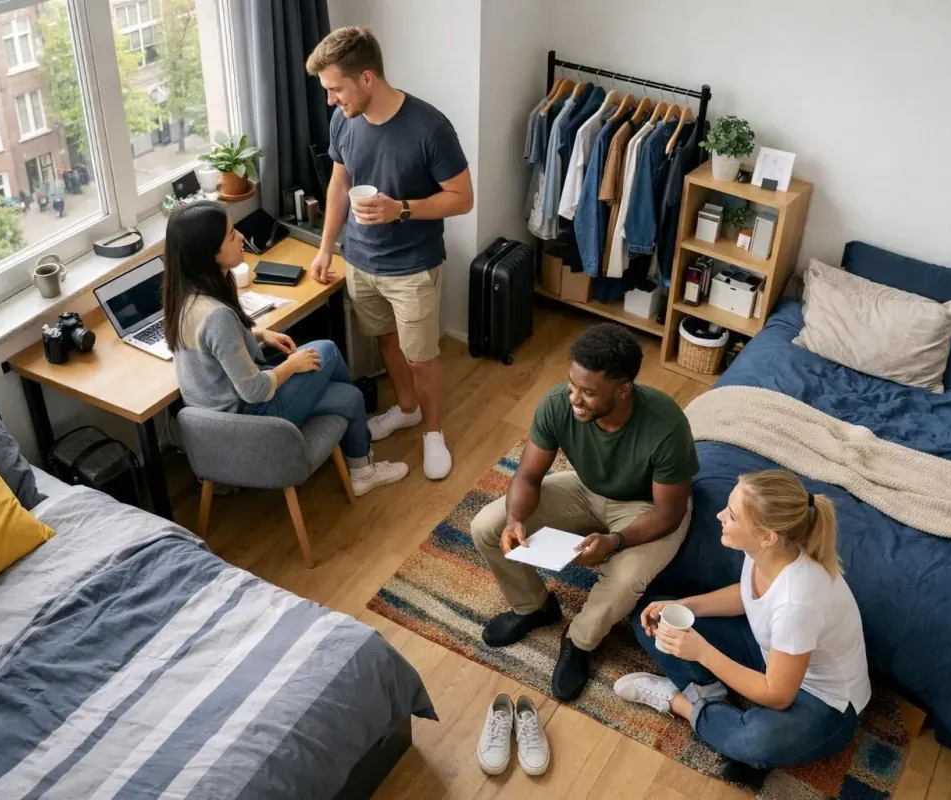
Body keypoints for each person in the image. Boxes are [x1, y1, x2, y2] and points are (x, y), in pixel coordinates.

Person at [470, 323, 697, 701]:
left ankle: (579, 641)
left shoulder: (666, 424)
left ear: (623, 389)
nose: (574, 397)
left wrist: (615, 542)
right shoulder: (559, 402)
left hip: (648, 508)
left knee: (624, 579)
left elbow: (669, 513)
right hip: (586, 487)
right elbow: (528, 475)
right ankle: (534, 607)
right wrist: (515, 520)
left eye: (588, 392)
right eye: (572, 385)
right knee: (486, 526)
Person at [616, 470, 871, 772]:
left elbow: (776, 695)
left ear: (768, 536)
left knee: (755, 742)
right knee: (655, 620)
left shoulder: (798, 603)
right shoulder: (771, 551)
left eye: (733, 516)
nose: (720, 515)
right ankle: (712, 700)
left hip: (824, 704)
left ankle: (681, 703)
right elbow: (746, 595)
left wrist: (701, 652)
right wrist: (683, 606)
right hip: (771, 653)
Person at [306, 26, 474, 481]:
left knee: (422, 356)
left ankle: (433, 433)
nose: (330, 100)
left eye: (335, 88)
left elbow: (462, 198)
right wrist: (325, 249)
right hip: (360, 259)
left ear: (366, 78)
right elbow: (339, 182)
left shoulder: (430, 127)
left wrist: (399, 209)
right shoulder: (344, 119)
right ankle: (406, 408)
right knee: (384, 340)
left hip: (412, 267)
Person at [162, 201, 408, 497]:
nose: (241, 236)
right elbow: (254, 391)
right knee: (326, 350)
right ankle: (357, 455)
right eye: (230, 235)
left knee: (350, 396)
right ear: (210, 254)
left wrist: (261, 335)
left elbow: (214, 349)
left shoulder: (181, 298)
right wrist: (291, 366)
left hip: (218, 428)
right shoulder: (217, 316)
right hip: (250, 420)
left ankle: (361, 470)